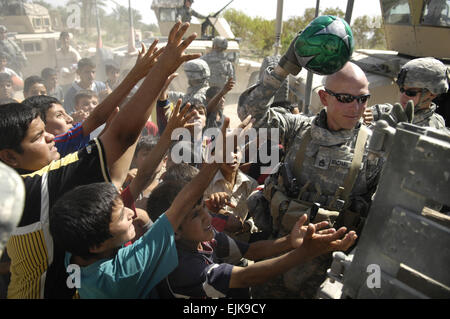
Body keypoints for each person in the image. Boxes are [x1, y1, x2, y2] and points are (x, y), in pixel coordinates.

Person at [0, 21, 201, 298]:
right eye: (38, 137)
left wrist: (144, 81)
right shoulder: (34, 188)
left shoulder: (22, 178)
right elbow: (120, 139)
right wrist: (160, 71)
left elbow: (115, 166)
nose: (50, 138)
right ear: (9, 156)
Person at [237, 35, 386, 297]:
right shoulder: (298, 129)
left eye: (363, 99)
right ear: (324, 97)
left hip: (322, 278)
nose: (357, 107)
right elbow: (251, 112)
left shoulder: (375, 149)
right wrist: (284, 67)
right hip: (275, 257)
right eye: (345, 98)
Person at [49, 99, 196, 299]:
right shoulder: (119, 272)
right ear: (97, 245)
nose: (129, 213)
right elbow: (145, 179)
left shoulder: (74, 245)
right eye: (120, 215)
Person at [146, 179, 357, 299]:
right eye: (195, 214)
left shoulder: (205, 239)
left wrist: (289, 242)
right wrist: (304, 253)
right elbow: (247, 277)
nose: (206, 216)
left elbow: (252, 251)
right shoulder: (182, 267)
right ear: (175, 231)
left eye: (203, 207)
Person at [365, 57, 449, 130]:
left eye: (411, 93)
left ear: (432, 94)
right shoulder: (385, 111)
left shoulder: (433, 130)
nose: (403, 96)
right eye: (402, 89)